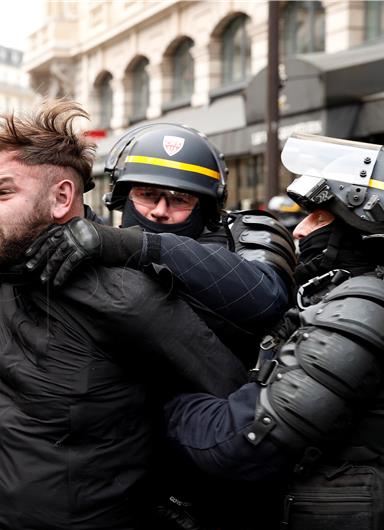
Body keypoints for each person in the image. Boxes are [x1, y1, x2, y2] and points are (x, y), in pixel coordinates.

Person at [0, 100, 249, 530]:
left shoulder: (130, 295)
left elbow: (230, 396)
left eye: (2, 193)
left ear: (62, 197)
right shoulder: (5, 265)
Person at [163, 133, 384, 530]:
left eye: (320, 216)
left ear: (367, 221)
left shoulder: (367, 309)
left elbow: (244, 443)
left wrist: (162, 404)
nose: (300, 230)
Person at [25, 122, 296, 363]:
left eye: (179, 200)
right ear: (122, 197)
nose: (160, 210)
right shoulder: (98, 240)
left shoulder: (246, 231)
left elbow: (266, 296)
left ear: (206, 207)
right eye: (147, 194)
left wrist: (143, 246)